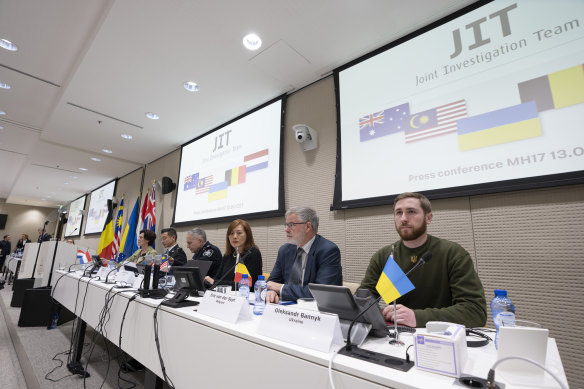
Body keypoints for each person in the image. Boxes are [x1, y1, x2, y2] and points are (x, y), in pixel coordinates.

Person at [359, 192, 487, 328]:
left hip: (440, 338)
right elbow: (362, 301)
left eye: (411, 212)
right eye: (398, 213)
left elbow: (475, 311)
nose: (403, 218)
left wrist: (417, 317)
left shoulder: (452, 254)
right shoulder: (384, 256)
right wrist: (379, 313)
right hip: (394, 337)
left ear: (429, 218)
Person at [266, 207, 342, 303]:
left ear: (308, 227)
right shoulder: (285, 250)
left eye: (291, 225)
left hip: (315, 313)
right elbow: (271, 282)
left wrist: (281, 288)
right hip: (285, 308)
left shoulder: (328, 251)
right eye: (286, 225)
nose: (286, 230)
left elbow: (321, 293)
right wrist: (271, 292)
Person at [204, 219, 262, 289]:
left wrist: (215, 282)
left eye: (239, 233)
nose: (234, 236)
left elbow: (250, 284)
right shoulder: (227, 255)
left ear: (247, 235)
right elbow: (217, 278)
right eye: (231, 233)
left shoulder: (253, 253)